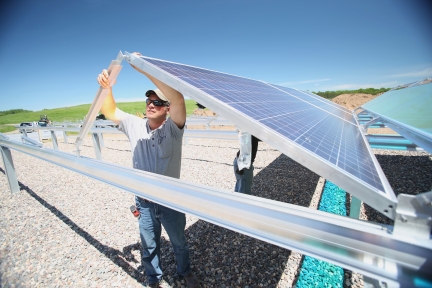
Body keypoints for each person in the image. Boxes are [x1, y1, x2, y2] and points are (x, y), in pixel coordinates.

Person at [97, 52, 200, 288]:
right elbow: (110, 111)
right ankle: (154, 279)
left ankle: (185, 272)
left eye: (158, 102)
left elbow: (179, 99)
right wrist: (107, 87)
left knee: (179, 242)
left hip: (170, 200)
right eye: (148, 101)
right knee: (148, 243)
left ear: (167, 109)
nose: (151, 105)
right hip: (143, 201)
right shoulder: (134, 125)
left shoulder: (174, 130)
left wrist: (144, 69)